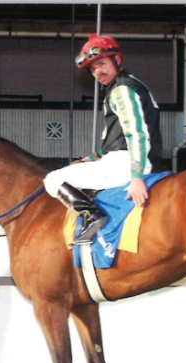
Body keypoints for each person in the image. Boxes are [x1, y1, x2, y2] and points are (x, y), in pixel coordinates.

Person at [44, 33, 162, 243]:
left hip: (127, 164)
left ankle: (92, 216)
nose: (98, 71)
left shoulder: (122, 89)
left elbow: (136, 133)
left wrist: (136, 178)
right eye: (93, 69)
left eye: (101, 63)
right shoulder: (131, 85)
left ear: (117, 60)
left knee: (53, 179)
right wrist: (91, 158)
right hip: (125, 159)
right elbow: (115, 141)